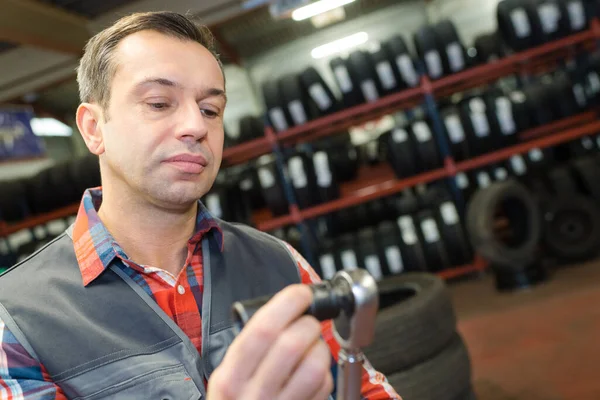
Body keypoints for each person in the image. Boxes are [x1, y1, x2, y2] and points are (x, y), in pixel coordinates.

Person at [0, 11, 401, 400]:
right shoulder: (17, 318)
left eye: (211, 110)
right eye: (159, 103)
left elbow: (362, 387)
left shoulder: (278, 261)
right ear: (93, 128)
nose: (196, 126)